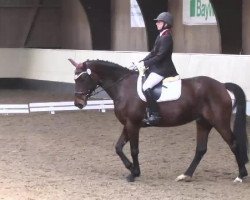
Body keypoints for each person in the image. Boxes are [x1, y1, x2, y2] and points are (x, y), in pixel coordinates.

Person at [138, 12, 179, 125]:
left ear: (166, 24)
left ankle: (155, 114)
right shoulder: (160, 36)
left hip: (163, 69)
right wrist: (142, 61)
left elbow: (160, 56)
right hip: (156, 67)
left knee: (146, 87)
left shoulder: (167, 38)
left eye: (159, 22)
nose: (157, 23)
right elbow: (153, 52)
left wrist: (146, 64)